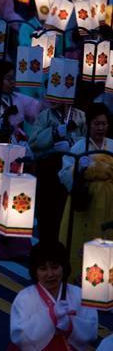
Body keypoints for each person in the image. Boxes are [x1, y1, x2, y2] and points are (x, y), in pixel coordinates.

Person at [0, 60, 41, 258]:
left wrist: (48, 96)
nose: (13, 82)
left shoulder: (20, 100)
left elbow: (37, 113)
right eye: (8, 78)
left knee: (18, 198)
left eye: (13, 78)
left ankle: (18, 244)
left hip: (16, 154)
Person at [9, 241, 97, 351]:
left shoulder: (79, 294)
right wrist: (51, 316)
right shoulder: (24, 298)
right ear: (35, 272)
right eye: (43, 269)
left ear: (63, 267)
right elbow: (19, 337)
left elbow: (92, 331)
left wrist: (70, 325)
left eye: (55, 267)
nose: (50, 274)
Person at [59, 103, 113, 280]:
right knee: (80, 240)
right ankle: (78, 278)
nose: (100, 128)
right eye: (96, 123)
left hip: (109, 203)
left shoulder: (112, 146)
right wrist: (79, 170)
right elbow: (64, 174)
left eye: (104, 124)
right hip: (85, 201)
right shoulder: (79, 147)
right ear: (88, 124)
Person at [29, 103, 86, 242]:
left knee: (64, 210)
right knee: (46, 210)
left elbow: (86, 139)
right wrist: (55, 132)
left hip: (70, 167)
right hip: (48, 167)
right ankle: (46, 244)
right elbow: (34, 142)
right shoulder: (45, 115)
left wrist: (71, 143)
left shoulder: (81, 115)